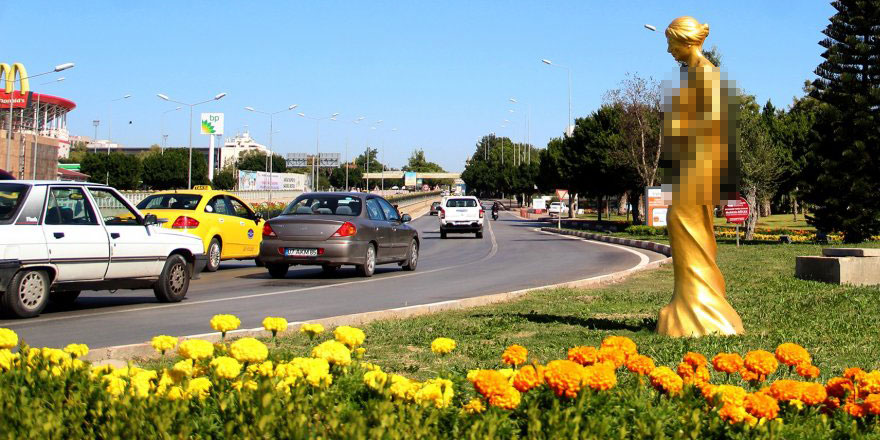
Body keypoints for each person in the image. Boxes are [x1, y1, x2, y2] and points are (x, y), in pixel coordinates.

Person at [656, 16, 744, 337]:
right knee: (684, 233)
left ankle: (699, 310)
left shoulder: (705, 73)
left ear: (687, 41)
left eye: (671, 43)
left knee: (688, 230)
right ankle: (689, 304)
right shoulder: (693, 74)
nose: (669, 50)